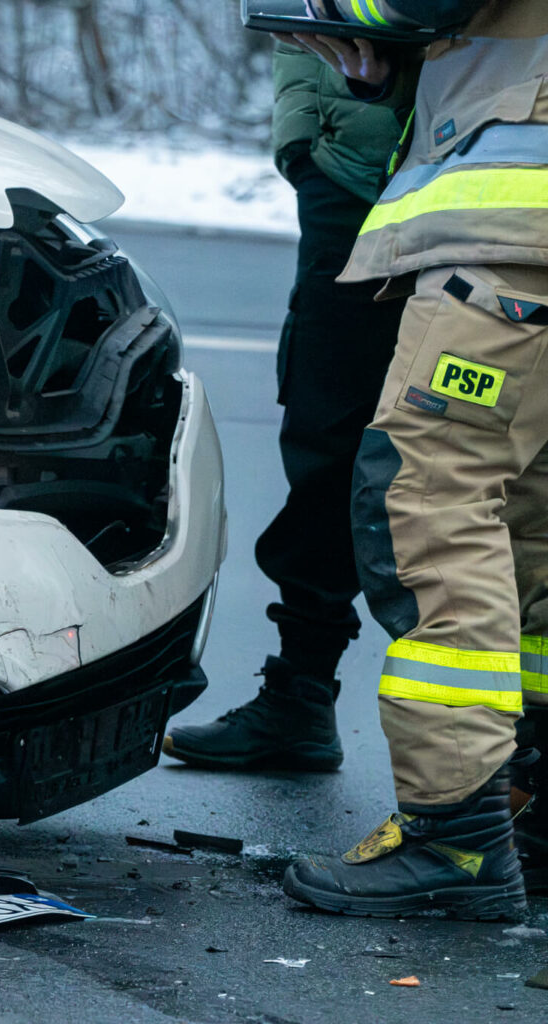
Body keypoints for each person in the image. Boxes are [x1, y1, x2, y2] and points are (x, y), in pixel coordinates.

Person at [277, 0, 548, 920]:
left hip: (512, 247)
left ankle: (457, 841)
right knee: (530, 528)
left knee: (429, 497)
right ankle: (529, 809)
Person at [162, 45, 415, 771]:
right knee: (327, 437)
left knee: (466, 461)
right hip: (352, 175)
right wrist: (306, 143)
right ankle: (300, 695)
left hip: (477, 174)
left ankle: (507, 759)